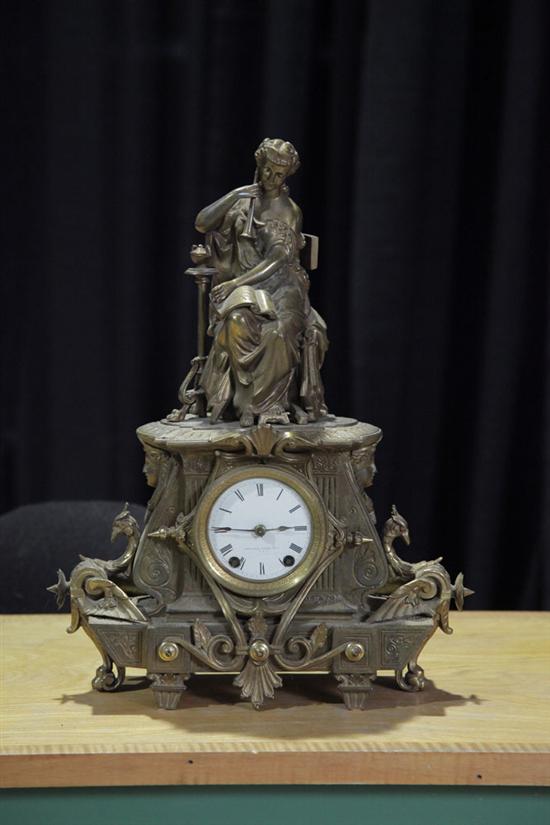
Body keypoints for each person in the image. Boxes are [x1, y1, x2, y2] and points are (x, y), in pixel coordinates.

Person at [195, 138, 328, 426]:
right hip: (250, 290)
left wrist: (234, 283)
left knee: (277, 332)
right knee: (236, 324)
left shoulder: (288, 211)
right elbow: (203, 223)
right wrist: (236, 195)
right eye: (268, 170)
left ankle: (270, 407)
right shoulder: (243, 202)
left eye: (280, 174)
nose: (273, 179)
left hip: (283, 287)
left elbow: (279, 259)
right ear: (260, 165)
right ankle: (244, 402)